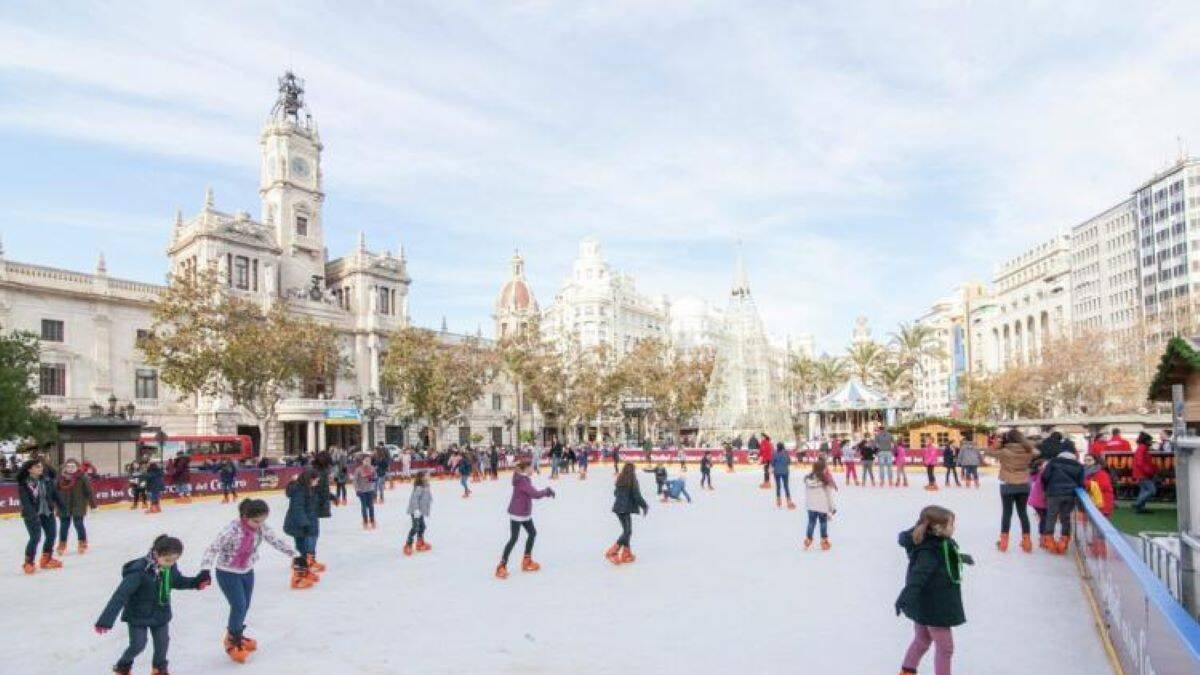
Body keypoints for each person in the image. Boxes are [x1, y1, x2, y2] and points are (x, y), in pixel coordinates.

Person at [200, 499, 300, 663]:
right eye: (256, 521)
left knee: (245, 605)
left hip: (247, 570)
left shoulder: (261, 528)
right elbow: (213, 548)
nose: (259, 524)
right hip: (227, 572)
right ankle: (232, 640)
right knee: (238, 605)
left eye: (262, 520)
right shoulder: (232, 529)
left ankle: (237, 632)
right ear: (245, 517)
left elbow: (275, 540)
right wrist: (205, 569)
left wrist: (295, 554)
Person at [95, 535, 210, 674]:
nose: (171, 563)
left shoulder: (169, 567)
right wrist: (105, 620)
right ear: (156, 553)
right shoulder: (138, 571)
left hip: (160, 613)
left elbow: (177, 581)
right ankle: (123, 666)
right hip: (138, 615)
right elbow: (120, 595)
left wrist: (196, 583)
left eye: (174, 560)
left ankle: (159, 669)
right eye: (168, 560)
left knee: (163, 643)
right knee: (138, 645)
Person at [894, 506, 972, 675]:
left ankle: (906, 671)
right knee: (946, 648)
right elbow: (918, 576)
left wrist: (960, 557)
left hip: (925, 604)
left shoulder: (934, 543)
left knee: (922, 640)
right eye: (951, 524)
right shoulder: (929, 551)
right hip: (935, 606)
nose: (954, 528)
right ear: (938, 529)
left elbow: (942, 558)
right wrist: (905, 597)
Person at [495, 461, 555, 579]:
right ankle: (501, 566)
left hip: (524, 513)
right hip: (517, 513)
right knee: (514, 539)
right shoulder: (522, 480)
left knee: (532, 533)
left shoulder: (525, 479)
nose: (533, 469)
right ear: (526, 468)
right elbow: (535, 494)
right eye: (531, 467)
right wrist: (547, 491)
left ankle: (526, 560)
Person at [985, 429, 1036, 554]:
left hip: (1007, 485)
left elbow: (988, 452)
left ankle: (1003, 543)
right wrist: (1027, 444)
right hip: (1024, 485)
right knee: (1023, 513)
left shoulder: (1004, 452)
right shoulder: (1028, 451)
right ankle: (1027, 542)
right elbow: (1037, 452)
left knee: (1007, 513)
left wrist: (997, 444)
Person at [17, 459, 65, 573]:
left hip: (47, 512)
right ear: (30, 470)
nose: (41, 468)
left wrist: (63, 507)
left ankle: (46, 559)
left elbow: (55, 495)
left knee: (51, 535)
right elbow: (26, 502)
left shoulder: (47, 480)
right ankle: (28, 562)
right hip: (32, 515)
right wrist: (32, 515)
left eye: (41, 466)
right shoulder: (24, 484)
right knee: (35, 537)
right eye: (37, 467)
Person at [1041, 441, 1084, 554]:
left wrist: (1046, 489)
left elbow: (1045, 477)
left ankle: (1049, 540)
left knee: (1051, 516)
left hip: (1054, 493)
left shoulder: (1053, 462)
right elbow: (1081, 482)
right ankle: (1064, 541)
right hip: (1070, 494)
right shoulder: (1078, 465)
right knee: (1065, 518)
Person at [282, 469, 321, 588]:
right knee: (302, 550)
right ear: (309, 479)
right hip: (298, 525)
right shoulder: (299, 491)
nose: (317, 482)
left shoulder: (307, 489)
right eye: (316, 480)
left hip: (303, 523)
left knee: (304, 550)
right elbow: (297, 509)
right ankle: (297, 579)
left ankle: (305, 572)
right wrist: (304, 524)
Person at [607, 462, 649, 564]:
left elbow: (615, 493)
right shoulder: (633, 480)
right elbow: (637, 496)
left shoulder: (620, 479)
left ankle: (626, 553)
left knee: (627, 531)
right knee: (627, 531)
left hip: (618, 508)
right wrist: (645, 506)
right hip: (625, 508)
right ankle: (612, 551)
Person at [55, 458, 97, 556]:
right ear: (65, 467)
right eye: (68, 466)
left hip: (79, 504)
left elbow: (89, 491)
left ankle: (82, 542)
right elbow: (54, 491)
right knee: (64, 526)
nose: (70, 469)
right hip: (63, 505)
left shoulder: (82, 477)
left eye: (72, 466)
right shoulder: (60, 478)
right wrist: (53, 503)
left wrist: (93, 505)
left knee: (78, 524)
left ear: (77, 467)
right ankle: (62, 544)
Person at [803, 458, 837, 550]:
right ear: (822, 469)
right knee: (823, 523)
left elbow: (807, 493)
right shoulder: (825, 481)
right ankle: (824, 540)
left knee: (811, 522)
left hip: (811, 506)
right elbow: (828, 496)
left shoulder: (808, 479)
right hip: (822, 506)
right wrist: (832, 508)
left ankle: (808, 539)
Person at [404, 471, 433, 556]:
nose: (429, 477)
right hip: (415, 511)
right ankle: (408, 544)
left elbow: (427, 497)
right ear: (422, 477)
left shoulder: (426, 486)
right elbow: (414, 499)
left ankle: (420, 541)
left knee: (422, 526)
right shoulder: (419, 487)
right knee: (415, 527)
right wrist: (416, 510)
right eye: (427, 475)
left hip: (421, 511)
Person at [1132, 431, 1158, 514]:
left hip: (1140, 473)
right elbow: (1141, 463)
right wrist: (1150, 472)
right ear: (1146, 441)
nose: (1151, 442)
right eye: (1150, 441)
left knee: (1144, 490)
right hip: (1142, 474)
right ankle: (1137, 503)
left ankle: (1140, 509)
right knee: (1152, 490)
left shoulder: (1142, 448)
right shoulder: (1142, 448)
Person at [352, 455, 378, 530]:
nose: (367, 462)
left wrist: (372, 479)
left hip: (370, 490)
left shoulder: (372, 468)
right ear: (363, 461)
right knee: (364, 506)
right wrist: (357, 490)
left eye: (369, 461)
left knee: (371, 506)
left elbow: (375, 478)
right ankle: (365, 521)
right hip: (362, 491)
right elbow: (355, 481)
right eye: (366, 460)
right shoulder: (358, 469)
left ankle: (372, 520)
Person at [771, 443, 794, 509]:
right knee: (786, 486)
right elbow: (789, 462)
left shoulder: (774, 454)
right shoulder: (786, 454)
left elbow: (772, 463)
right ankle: (788, 500)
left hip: (777, 472)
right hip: (785, 472)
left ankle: (778, 500)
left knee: (778, 486)